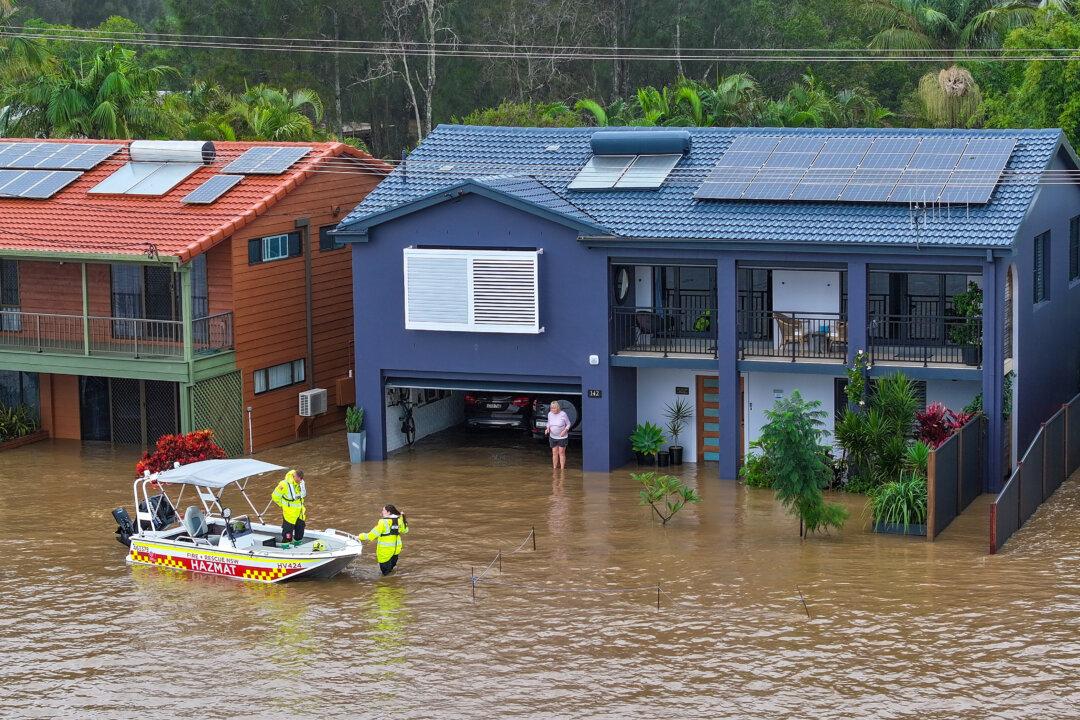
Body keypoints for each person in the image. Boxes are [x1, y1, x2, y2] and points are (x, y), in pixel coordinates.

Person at [358, 504, 408, 575]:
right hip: (396, 550)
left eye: (383, 510)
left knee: (385, 574)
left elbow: (371, 535)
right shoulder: (399, 520)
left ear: (388, 512)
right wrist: (404, 519)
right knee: (391, 570)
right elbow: (405, 530)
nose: (382, 512)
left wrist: (359, 536)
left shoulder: (383, 522)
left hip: (385, 552)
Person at [271, 469, 306, 544]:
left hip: (300, 514)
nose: (300, 480)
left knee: (300, 534)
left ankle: (297, 546)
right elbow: (275, 496)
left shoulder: (301, 483)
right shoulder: (284, 484)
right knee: (288, 536)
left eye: (301, 479)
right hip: (289, 514)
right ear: (294, 476)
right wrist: (283, 505)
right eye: (299, 478)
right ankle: (285, 548)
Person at [545, 400, 571, 470]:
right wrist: (547, 428)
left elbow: (568, 424)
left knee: (561, 452)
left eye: (554, 408)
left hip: (562, 437)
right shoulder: (550, 414)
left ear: (558, 408)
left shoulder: (563, 414)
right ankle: (554, 468)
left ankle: (562, 469)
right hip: (552, 436)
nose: (552, 410)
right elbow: (548, 423)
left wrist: (565, 430)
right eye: (551, 408)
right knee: (554, 452)